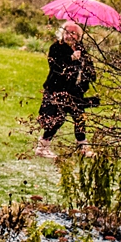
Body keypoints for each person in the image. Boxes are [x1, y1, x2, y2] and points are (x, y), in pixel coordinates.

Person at [36, 21, 96, 158]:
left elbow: (90, 69)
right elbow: (55, 67)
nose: (69, 35)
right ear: (62, 34)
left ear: (79, 36)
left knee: (79, 118)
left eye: (73, 33)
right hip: (57, 89)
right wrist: (71, 58)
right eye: (66, 32)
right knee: (57, 118)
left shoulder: (81, 49)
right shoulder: (56, 47)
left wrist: (88, 73)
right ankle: (42, 147)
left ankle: (83, 148)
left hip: (75, 91)